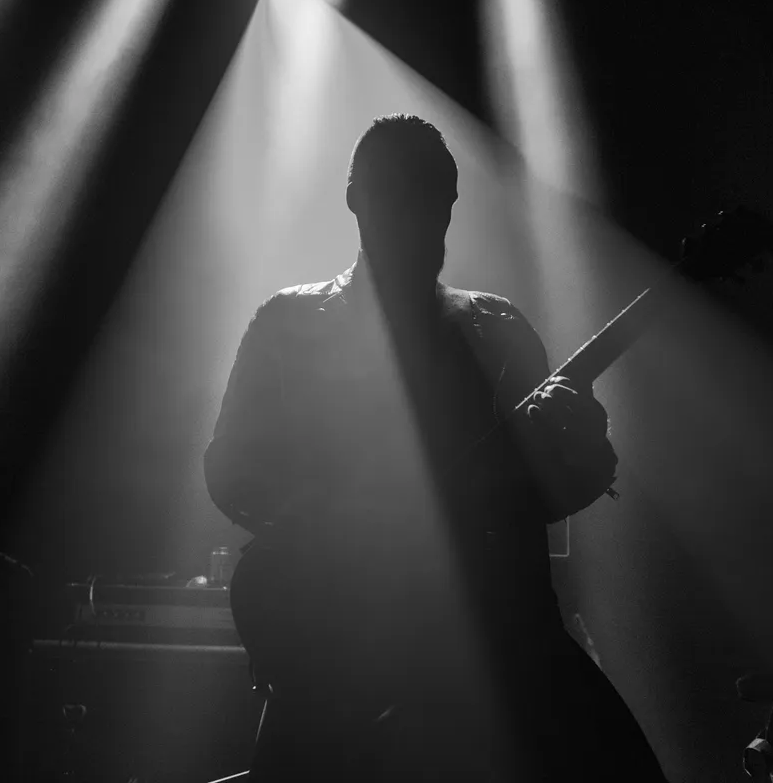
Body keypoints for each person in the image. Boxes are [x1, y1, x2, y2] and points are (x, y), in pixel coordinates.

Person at [205, 114, 665, 781]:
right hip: (343, 656)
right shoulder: (288, 321)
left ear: (449, 203)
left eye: (428, 196)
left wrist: (584, 440)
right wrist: (340, 519)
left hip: (503, 642)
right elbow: (228, 468)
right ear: (355, 198)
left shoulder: (497, 324)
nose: (413, 216)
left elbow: (548, 491)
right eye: (395, 193)